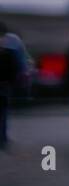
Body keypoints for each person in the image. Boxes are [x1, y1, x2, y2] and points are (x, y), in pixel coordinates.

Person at [0, 21, 32, 149]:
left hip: (4, 84)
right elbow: (20, 63)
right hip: (4, 84)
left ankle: (3, 138)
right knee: (3, 112)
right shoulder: (12, 42)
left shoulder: (10, 46)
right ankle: (2, 138)